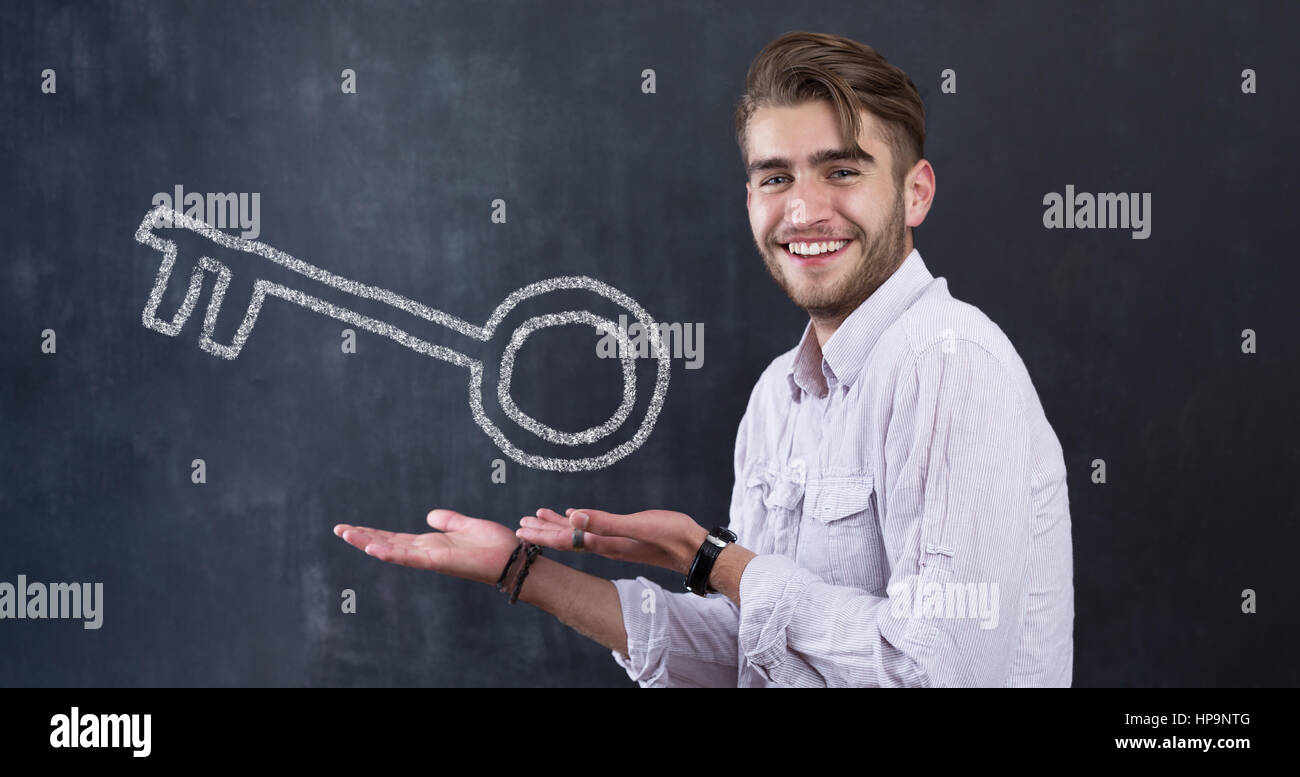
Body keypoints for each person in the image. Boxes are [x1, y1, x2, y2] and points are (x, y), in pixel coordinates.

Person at [334, 30, 1073, 687]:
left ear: (915, 193)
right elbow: (745, 649)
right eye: (776, 176)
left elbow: (941, 672)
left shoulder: (949, 364)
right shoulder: (775, 400)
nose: (803, 211)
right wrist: (519, 571)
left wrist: (711, 556)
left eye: (842, 172)